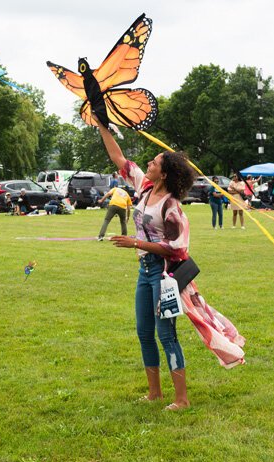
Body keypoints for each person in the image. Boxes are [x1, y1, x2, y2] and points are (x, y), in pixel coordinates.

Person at [94, 117, 245, 410]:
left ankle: (182, 399)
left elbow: (177, 249)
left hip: (165, 277)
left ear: (164, 173)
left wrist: (135, 242)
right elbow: (119, 158)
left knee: (166, 334)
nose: (148, 163)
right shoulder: (145, 188)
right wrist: (101, 124)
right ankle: (154, 393)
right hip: (144, 272)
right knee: (143, 332)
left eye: (154, 162)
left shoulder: (172, 207)